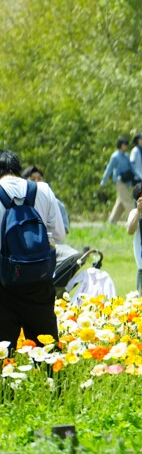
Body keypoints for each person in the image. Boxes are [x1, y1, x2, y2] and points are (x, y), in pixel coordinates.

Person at [0, 150, 66, 353]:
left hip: (4, 285)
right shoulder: (42, 189)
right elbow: (59, 234)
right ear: (18, 169)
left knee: (3, 357)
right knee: (47, 354)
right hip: (39, 280)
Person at [22, 165, 70, 234]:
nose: (36, 182)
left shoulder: (56, 203)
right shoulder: (20, 202)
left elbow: (64, 229)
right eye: (32, 179)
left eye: (39, 179)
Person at [100, 135, 135, 223]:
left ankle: (112, 221)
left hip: (127, 181)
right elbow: (109, 168)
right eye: (124, 144)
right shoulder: (115, 156)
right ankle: (134, 220)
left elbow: (131, 167)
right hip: (119, 181)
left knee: (120, 203)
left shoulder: (126, 155)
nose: (126, 146)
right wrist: (104, 181)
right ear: (120, 145)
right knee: (128, 201)